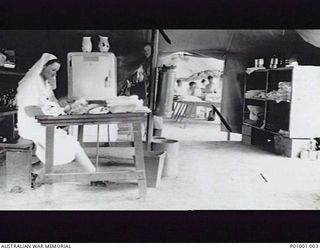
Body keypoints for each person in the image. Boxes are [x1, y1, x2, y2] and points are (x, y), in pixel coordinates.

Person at [16, 53, 96, 183]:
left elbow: (52, 104)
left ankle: (94, 176)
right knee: (68, 145)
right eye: (53, 70)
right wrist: (51, 117)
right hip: (31, 124)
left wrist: (67, 108)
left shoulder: (45, 84)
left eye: (56, 71)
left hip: (43, 122)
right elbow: (29, 109)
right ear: (43, 66)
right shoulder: (31, 83)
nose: (54, 74)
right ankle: (94, 176)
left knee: (69, 145)